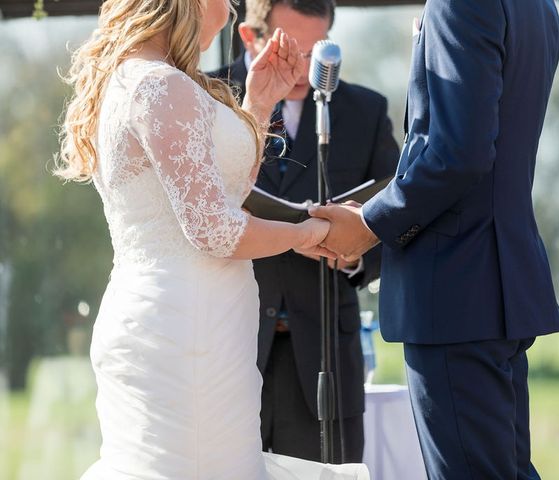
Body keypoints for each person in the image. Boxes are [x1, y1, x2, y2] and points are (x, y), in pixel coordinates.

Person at [55, 0, 369, 478]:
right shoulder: (161, 86)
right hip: (187, 332)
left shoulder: (139, 78)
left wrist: (259, 103)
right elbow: (216, 229)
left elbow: (223, 192)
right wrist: (308, 231)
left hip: (189, 323)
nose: (230, 8)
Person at [310, 0, 559, 478]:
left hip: (454, 287)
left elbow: (457, 154)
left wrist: (368, 225)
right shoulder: (539, 6)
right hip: (497, 283)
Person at [210, 0, 399, 463]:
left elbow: (397, 220)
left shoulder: (365, 111)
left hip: (325, 360)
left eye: (319, 49)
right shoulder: (206, 95)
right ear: (251, 37)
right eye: (293, 49)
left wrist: (353, 253)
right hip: (226, 350)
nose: (306, 65)